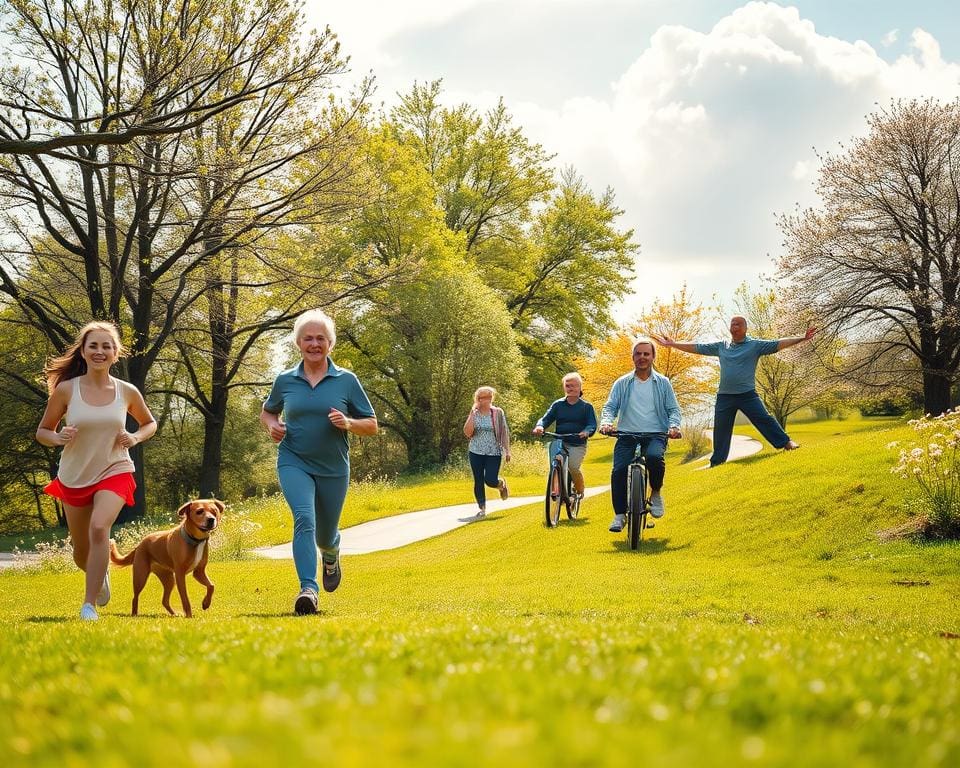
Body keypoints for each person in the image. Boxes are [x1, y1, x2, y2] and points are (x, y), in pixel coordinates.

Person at [36, 321, 157, 621]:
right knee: (81, 552)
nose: (99, 351)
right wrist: (58, 437)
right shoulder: (67, 390)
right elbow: (43, 432)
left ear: (116, 353)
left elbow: (149, 423)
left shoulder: (126, 391)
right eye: (93, 346)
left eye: (106, 346)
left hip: (115, 468)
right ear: (83, 351)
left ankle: (88, 606)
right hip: (75, 475)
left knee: (100, 528)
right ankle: (99, 572)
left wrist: (135, 437)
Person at [261, 309, 378, 616]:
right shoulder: (285, 380)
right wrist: (272, 426)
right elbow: (268, 411)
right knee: (304, 518)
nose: (314, 344)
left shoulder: (346, 380)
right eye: (308, 338)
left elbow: (372, 424)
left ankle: (331, 551)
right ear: (298, 343)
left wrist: (349, 423)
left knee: (324, 535)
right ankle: (308, 589)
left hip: (333, 467)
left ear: (330, 343)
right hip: (294, 460)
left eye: (320, 338)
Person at [652, 317, 817, 467]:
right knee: (721, 429)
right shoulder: (721, 346)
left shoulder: (755, 345)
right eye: (732, 324)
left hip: (747, 395)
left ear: (745, 328)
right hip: (725, 397)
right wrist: (672, 344)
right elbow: (698, 347)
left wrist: (802, 338)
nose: (734, 326)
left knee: (764, 419)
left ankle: (787, 443)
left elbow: (778, 344)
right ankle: (717, 462)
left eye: (738, 324)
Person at [598, 337, 682, 532]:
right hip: (626, 434)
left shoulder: (663, 383)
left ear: (653, 357)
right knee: (619, 470)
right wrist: (606, 423)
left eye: (646, 354)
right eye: (638, 354)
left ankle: (656, 492)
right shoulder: (622, 383)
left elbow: (673, 409)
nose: (642, 357)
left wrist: (674, 426)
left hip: (656, 434)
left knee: (654, 458)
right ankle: (620, 515)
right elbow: (610, 407)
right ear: (633, 357)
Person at [532, 372, 597, 498]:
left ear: (580, 387)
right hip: (559, 441)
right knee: (555, 465)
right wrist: (540, 426)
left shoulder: (586, 407)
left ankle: (579, 489)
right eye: (567, 385)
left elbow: (591, 424)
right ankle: (557, 490)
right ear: (564, 387)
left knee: (573, 467)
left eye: (573, 385)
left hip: (577, 443)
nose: (570, 388)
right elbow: (546, 418)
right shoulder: (558, 405)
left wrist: (586, 431)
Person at [463, 386, 511, 518]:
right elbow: (467, 432)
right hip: (475, 451)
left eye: (488, 397)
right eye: (482, 397)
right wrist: (472, 414)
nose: (486, 400)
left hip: (494, 452)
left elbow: (504, 431)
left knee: (490, 480)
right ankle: (482, 508)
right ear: (478, 399)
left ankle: (500, 485)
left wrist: (507, 451)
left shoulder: (497, 412)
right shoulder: (474, 413)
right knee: (478, 480)